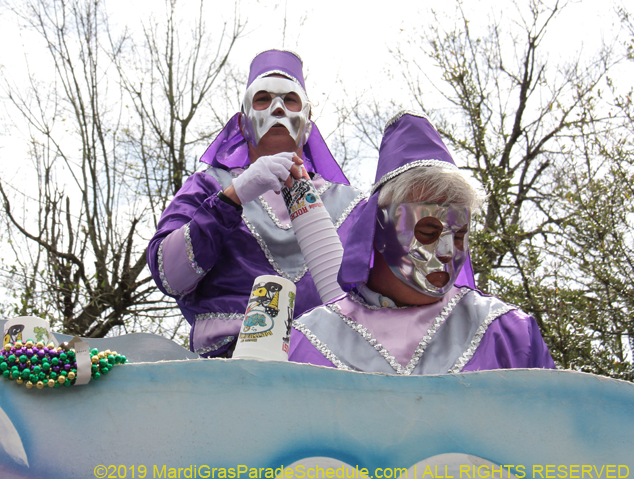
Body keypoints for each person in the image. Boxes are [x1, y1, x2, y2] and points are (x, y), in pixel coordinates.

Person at [289, 111, 556, 373]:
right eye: (428, 232)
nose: (448, 252)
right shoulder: (307, 341)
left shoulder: (509, 334)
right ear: (379, 229)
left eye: (460, 236)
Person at [147, 49, 359, 357]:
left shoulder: (351, 205)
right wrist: (232, 196)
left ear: (308, 121)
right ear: (244, 123)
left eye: (290, 100)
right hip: (228, 371)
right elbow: (170, 274)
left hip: (326, 372)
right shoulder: (207, 186)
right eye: (262, 99)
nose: (277, 109)